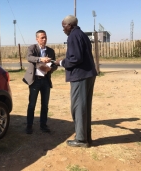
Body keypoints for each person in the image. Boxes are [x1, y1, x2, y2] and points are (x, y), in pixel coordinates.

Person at [54, 15, 97, 147]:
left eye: (63, 26)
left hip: (80, 76)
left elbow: (75, 58)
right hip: (88, 74)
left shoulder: (73, 36)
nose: (63, 29)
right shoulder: (82, 34)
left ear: (69, 25)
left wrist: (60, 62)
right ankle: (86, 137)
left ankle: (81, 140)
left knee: (78, 107)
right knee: (85, 107)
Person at [23, 30, 58, 134]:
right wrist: (40, 59)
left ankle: (43, 125)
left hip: (46, 80)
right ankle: (29, 125)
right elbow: (29, 57)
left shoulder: (51, 51)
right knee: (32, 104)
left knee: (45, 105)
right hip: (35, 80)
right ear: (37, 39)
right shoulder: (32, 48)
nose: (44, 39)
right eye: (42, 38)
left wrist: (50, 69)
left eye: (45, 37)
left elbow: (55, 64)